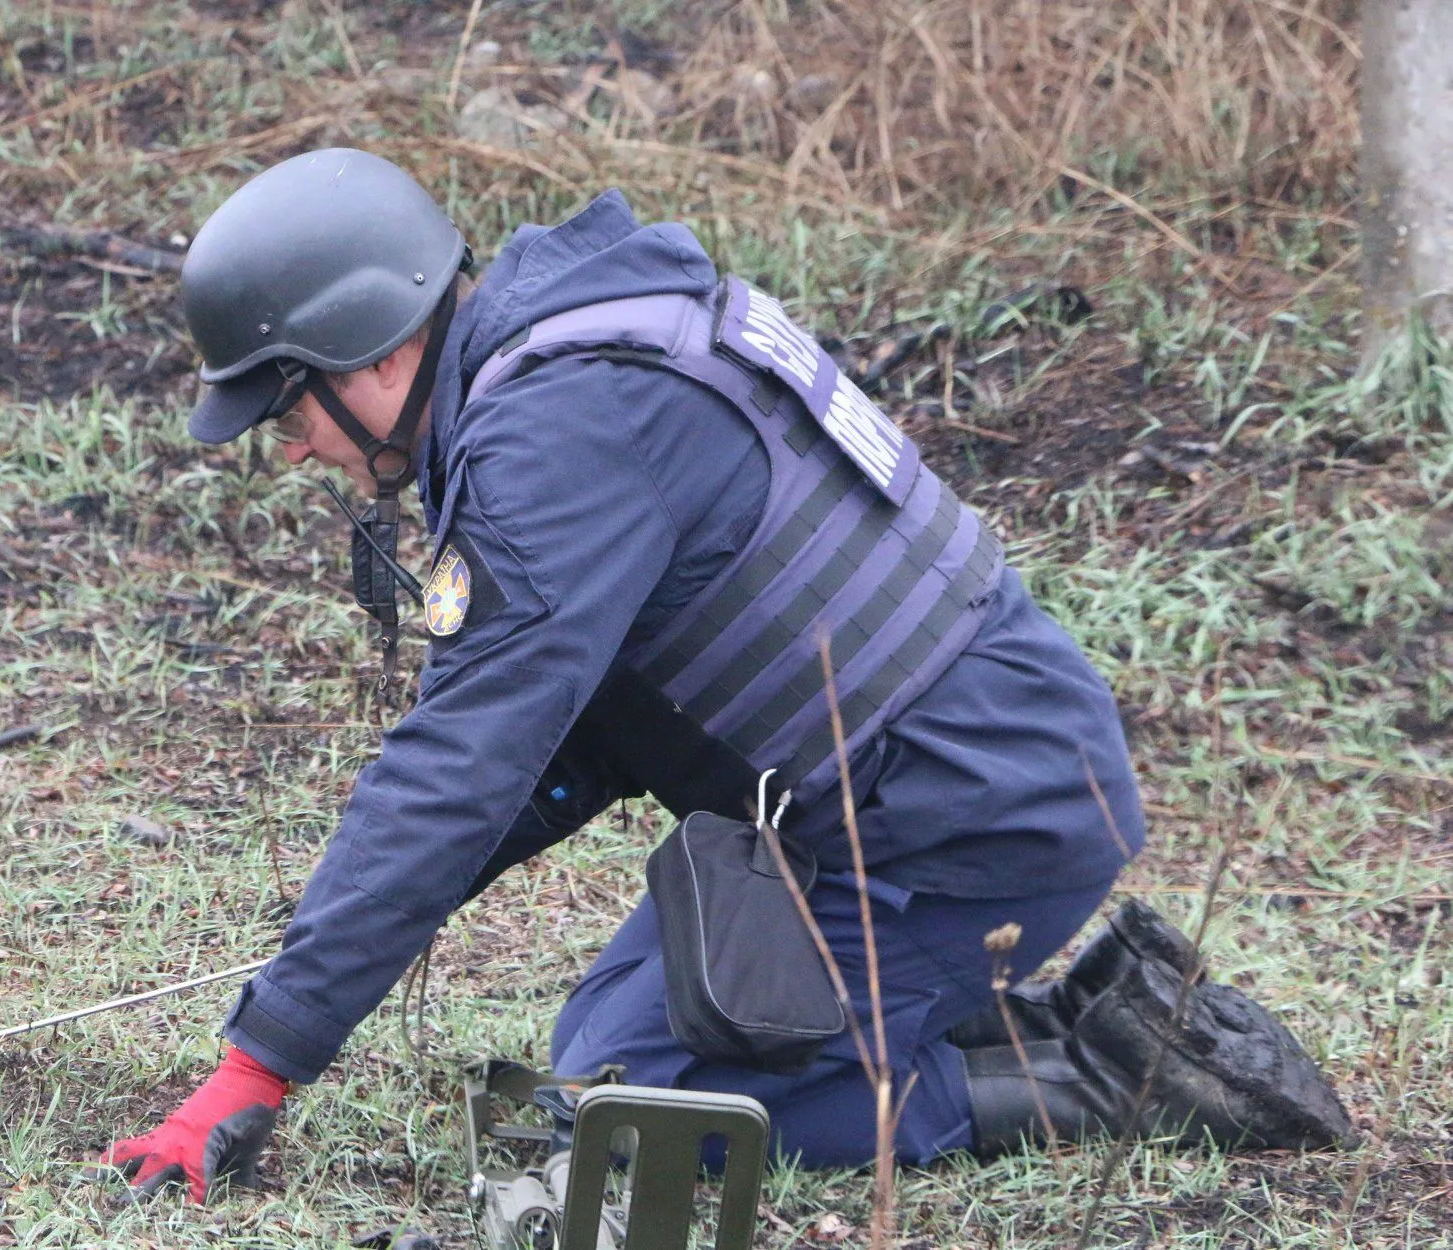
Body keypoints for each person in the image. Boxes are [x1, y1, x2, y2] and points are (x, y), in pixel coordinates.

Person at [93, 149, 1350, 1203]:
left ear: (366, 349)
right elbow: (569, 741)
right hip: (933, 775)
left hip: (968, 811)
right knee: (605, 1039)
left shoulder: (551, 437)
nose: (292, 442)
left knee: (632, 1114)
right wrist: (339, 947)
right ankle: (1007, 1010)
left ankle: (1110, 1067)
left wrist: (259, 1064)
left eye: (287, 405)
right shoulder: (572, 355)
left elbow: (466, 762)